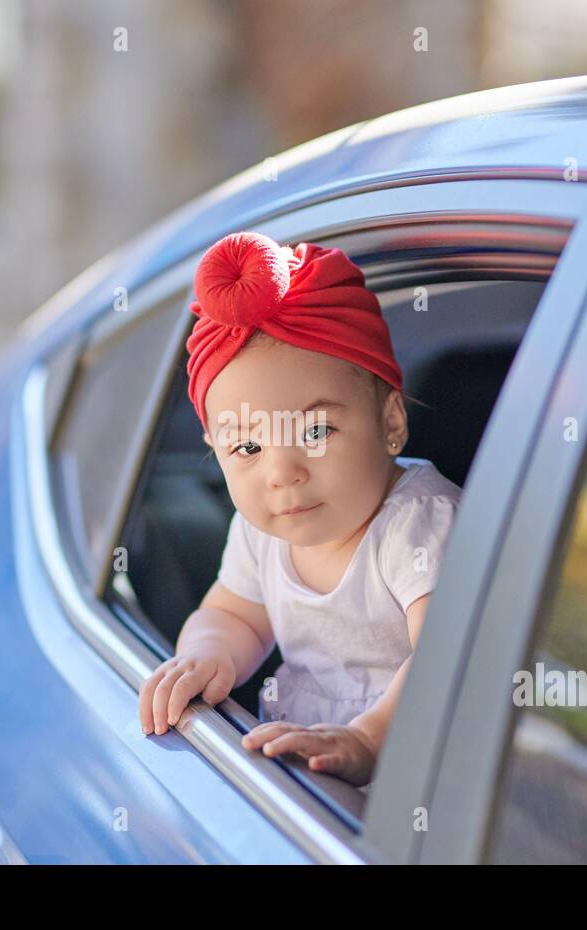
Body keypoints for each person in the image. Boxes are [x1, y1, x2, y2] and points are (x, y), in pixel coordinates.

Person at [138, 230, 461, 787]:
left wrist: (370, 738)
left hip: (410, 780)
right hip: (304, 774)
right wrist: (208, 654)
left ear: (391, 423)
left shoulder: (419, 523)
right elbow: (235, 614)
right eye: (248, 446)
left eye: (315, 430)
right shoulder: (262, 532)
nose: (283, 472)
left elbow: (453, 653)